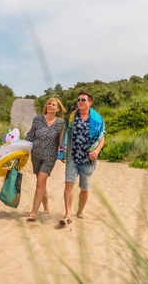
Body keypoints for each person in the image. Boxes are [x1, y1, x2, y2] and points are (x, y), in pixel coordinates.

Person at [58, 91, 105, 225]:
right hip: (72, 155)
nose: (80, 102)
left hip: (88, 158)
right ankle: (67, 214)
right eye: (78, 100)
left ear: (90, 102)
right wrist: (62, 151)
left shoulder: (98, 119)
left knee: (84, 188)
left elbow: (102, 138)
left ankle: (79, 211)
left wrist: (96, 151)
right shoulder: (71, 117)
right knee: (69, 183)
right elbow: (65, 133)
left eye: (83, 100)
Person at [25, 97, 66, 222]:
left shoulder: (60, 123)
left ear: (58, 109)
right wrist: (21, 149)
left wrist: (63, 154)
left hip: (49, 157)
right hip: (36, 155)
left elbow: (61, 141)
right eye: (49, 104)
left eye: (53, 105)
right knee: (41, 183)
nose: (50, 106)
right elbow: (30, 136)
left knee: (40, 183)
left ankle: (33, 213)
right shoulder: (37, 119)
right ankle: (46, 208)